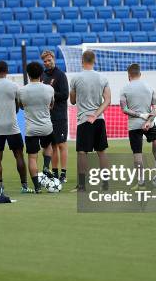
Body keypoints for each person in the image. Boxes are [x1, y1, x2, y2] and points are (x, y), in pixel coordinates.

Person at [70, 50, 111, 192]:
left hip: (84, 119)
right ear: (94, 61)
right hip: (99, 119)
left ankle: (82, 185)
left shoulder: (75, 78)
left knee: (82, 152)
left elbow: (73, 101)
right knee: (102, 152)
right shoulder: (102, 78)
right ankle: (105, 184)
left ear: (82, 61)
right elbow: (108, 101)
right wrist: (96, 114)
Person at [0, 61, 28, 193]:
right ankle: (24, 186)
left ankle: (0, 186)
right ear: (7, 71)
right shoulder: (14, 86)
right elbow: (17, 106)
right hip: (12, 125)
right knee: (18, 154)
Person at [120, 64, 156, 186]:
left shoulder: (124, 89)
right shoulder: (149, 87)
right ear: (140, 74)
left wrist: (139, 116)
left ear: (129, 75)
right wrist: (148, 121)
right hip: (149, 122)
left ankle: (141, 181)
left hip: (134, 125)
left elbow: (124, 109)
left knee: (137, 153)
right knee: (155, 140)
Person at [17, 62, 54, 193]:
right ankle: (45, 166)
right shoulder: (49, 89)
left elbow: (21, 106)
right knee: (48, 146)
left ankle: (37, 187)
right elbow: (51, 105)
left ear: (28, 74)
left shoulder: (21, 90)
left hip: (31, 128)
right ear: (41, 74)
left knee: (32, 158)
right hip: (46, 127)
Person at [40, 50, 69, 185]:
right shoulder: (43, 75)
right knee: (53, 145)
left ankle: (63, 173)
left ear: (54, 59)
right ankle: (55, 172)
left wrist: (50, 93)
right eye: (45, 61)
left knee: (62, 144)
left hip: (59, 115)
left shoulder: (61, 75)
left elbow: (65, 94)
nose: (47, 63)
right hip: (47, 116)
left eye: (49, 60)